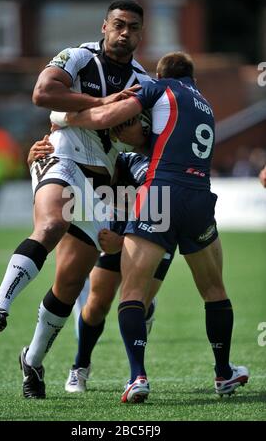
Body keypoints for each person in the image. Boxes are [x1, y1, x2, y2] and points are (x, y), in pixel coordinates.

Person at [0, 0, 151, 400]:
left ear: (141, 35)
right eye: (119, 25)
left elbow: (142, 140)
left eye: (134, 28)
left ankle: (32, 361)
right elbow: (43, 93)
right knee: (51, 224)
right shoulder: (78, 56)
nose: (125, 33)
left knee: (70, 284)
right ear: (104, 26)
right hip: (60, 157)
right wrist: (98, 102)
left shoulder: (144, 81)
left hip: (99, 184)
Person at [65, 51, 250, 403]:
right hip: (199, 197)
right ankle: (224, 373)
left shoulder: (158, 89)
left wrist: (66, 116)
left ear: (160, 75)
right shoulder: (207, 106)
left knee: (132, 293)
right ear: (192, 77)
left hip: (159, 194)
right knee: (215, 291)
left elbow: (106, 115)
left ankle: (137, 378)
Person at [27, 137, 172, 393]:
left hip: (147, 233)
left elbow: (159, 202)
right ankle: (80, 366)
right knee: (96, 305)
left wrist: (124, 240)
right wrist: (36, 164)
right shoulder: (74, 163)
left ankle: (137, 376)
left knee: (136, 303)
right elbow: (50, 192)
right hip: (108, 234)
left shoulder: (132, 162)